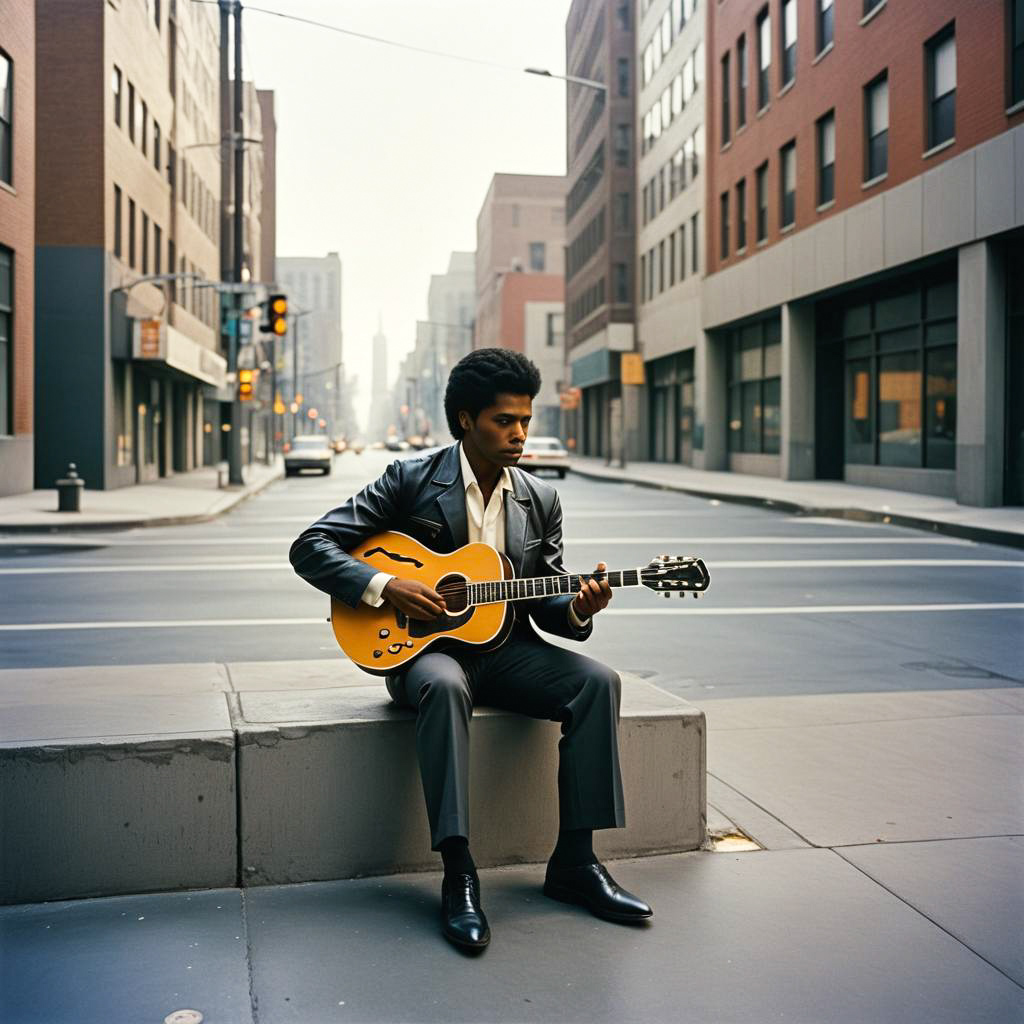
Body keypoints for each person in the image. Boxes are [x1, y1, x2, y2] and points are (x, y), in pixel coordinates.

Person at [289, 347, 652, 950]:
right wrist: (387, 586)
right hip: (418, 654)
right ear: (465, 419)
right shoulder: (410, 479)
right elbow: (312, 545)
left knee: (598, 682)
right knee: (448, 683)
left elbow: (546, 601)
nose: (519, 434)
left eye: (526, 421)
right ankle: (459, 873)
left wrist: (579, 608)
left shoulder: (540, 498)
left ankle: (576, 864)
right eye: (503, 421)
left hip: (507, 650)